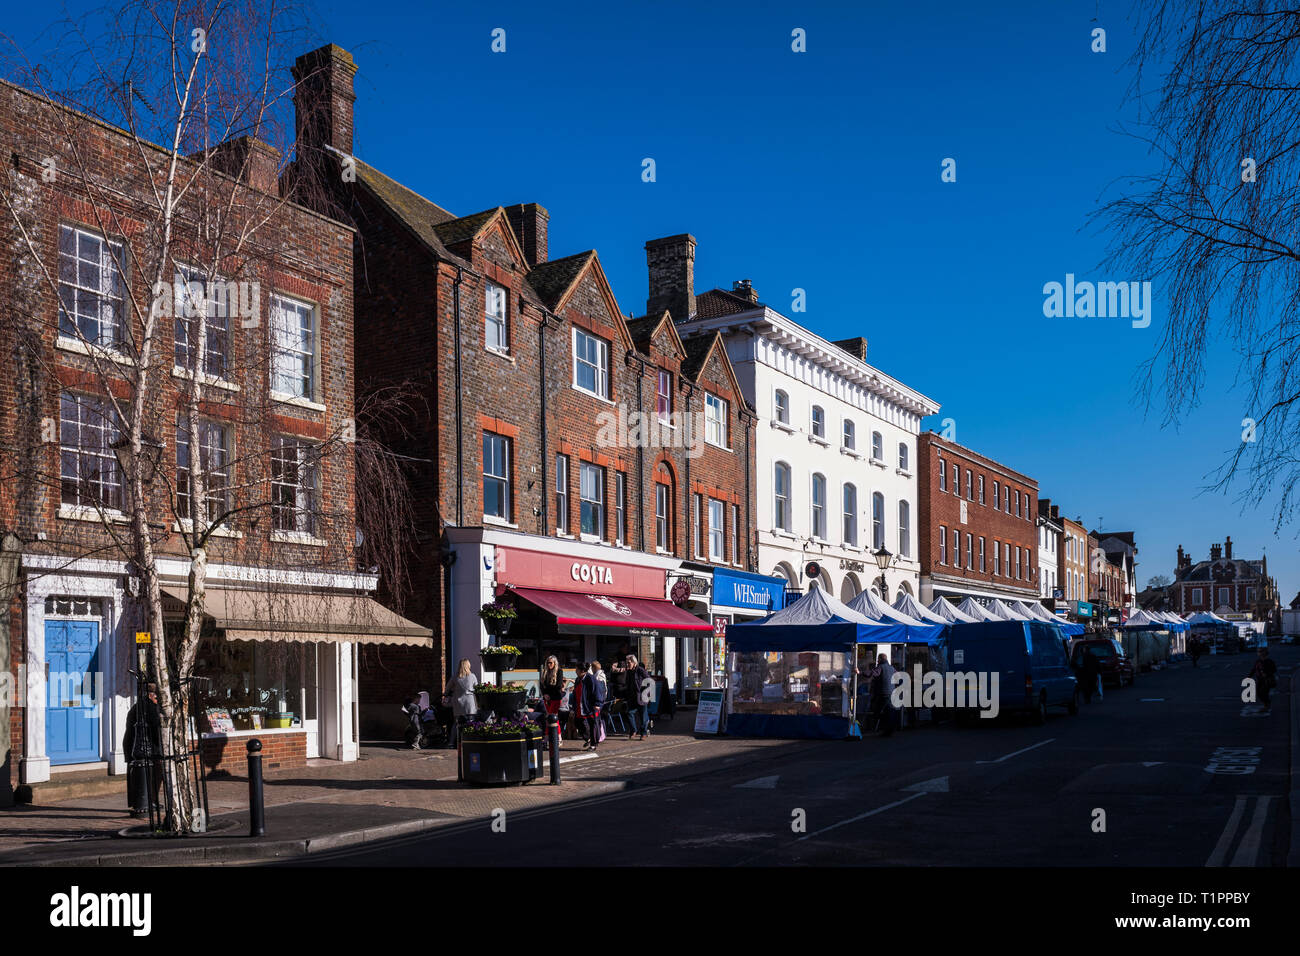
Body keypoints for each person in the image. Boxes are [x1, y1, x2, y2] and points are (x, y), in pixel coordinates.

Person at [124, 683, 163, 817]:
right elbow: (155, 729)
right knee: (154, 775)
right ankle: (149, 801)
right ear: (151, 695)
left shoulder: (136, 707)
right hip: (148, 748)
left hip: (135, 748)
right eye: (157, 697)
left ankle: (145, 801)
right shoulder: (149, 708)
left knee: (142, 777)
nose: (158, 700)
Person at [443, 658, 478, 749]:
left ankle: (451, 743)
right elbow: (477, 689)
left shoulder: (455, 677)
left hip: (458, 704)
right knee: (471, 723)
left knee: (456, 724)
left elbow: (447, 689)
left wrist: (447, 694)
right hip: (470, 704)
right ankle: (470, 741)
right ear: (468, 665)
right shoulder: (472, 676)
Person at [580, 660, 607, 751]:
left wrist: (598, 703)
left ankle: (594, 742)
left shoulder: (595, 677)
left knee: (594, 723)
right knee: (592, 723)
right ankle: (593, 739)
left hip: (594, 705)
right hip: (588, 705)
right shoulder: (585, 678)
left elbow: (600, 691)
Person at [625, 654, 651, 740]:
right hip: (632, 697)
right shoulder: (629, 672)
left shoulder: (640, 670)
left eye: (628, 662)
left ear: (634, 662)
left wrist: (645, 693)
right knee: (629, 713)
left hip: (642, 697)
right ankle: (634, 731)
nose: (627, 664)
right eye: (627, 663)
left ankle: (643, 733)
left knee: (643, 717)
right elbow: (628, 684)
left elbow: (649, 681)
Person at [540, 655, 565, 740]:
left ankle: (553, 737)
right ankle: (554, 737)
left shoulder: (559, 671)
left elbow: (558, 686)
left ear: (555, 663)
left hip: (555, 698)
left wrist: (548, 694)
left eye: (550, 663)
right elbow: (541, 685)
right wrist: (544, 694)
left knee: (552, 717)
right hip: (546, 699)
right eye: (547, 663)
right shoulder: (545, 672)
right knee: (550, 718)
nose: (549, 664)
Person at [1249, 647, 1278, 712]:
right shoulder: (1258, 661)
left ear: (1265, 653)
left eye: (1260, 651)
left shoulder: (1270, 661)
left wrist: (1267, 673)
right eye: (1258, 652)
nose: (1259, 653)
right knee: (1258, 693)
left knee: (1263, 692)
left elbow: (1274, 670)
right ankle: (1267, 703)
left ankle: (1266, 705)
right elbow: (1254, 669)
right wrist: (1249, 677)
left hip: (1266, 680)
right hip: (1260, 680)